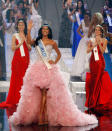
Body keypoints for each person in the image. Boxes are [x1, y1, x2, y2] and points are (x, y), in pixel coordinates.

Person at [9, 23, 98, 126]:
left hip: (49, 70)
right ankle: (41, 117)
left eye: (47, 30)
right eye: (43, 29)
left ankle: (44, 117)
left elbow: (59, 54)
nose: (45, 31)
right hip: (37, 70)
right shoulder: (38, 41)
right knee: (39, 95)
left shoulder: (52, 42)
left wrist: (54, 61)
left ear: (49, 31)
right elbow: (28, 42)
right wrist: (28, 30)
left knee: (46, 95)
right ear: (41, 31)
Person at [0, 19, 31, 108]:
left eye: (22, 25)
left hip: (25, 59)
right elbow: (13, 48)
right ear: (17, 26)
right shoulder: (15, 35)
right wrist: (20, 43)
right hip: (17, 60)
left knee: (24, 79)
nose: (21, 26)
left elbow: (29, 48)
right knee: (16, 80)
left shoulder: (26, 35)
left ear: (24, 26)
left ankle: (23, 99)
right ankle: (15, 99)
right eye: (19, 25)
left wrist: (25, 41)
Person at [85, 25, 112, 112]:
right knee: (93, 79)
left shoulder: (104, 40)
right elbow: (88, 51)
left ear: (101, 32)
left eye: (98, 30)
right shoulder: (91, 40)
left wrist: (99, 43)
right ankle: (93, 101)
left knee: (98, 79)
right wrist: (94, 45)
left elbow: (103, 51)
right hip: (93, 62)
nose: (96, 31)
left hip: (100, 62)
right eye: (95, 30)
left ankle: (97, 101)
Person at [71, 11, 91, 81]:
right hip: (83, 40)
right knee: (81, 55)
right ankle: (80, 71)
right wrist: (82, 36)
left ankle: (88, 70)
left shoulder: (91, 23)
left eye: (87, 17)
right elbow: (78, 30)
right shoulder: (82, 22)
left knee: (88, 55)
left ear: (89, 17)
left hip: (90, 41)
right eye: (85, 17)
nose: (86, 18)